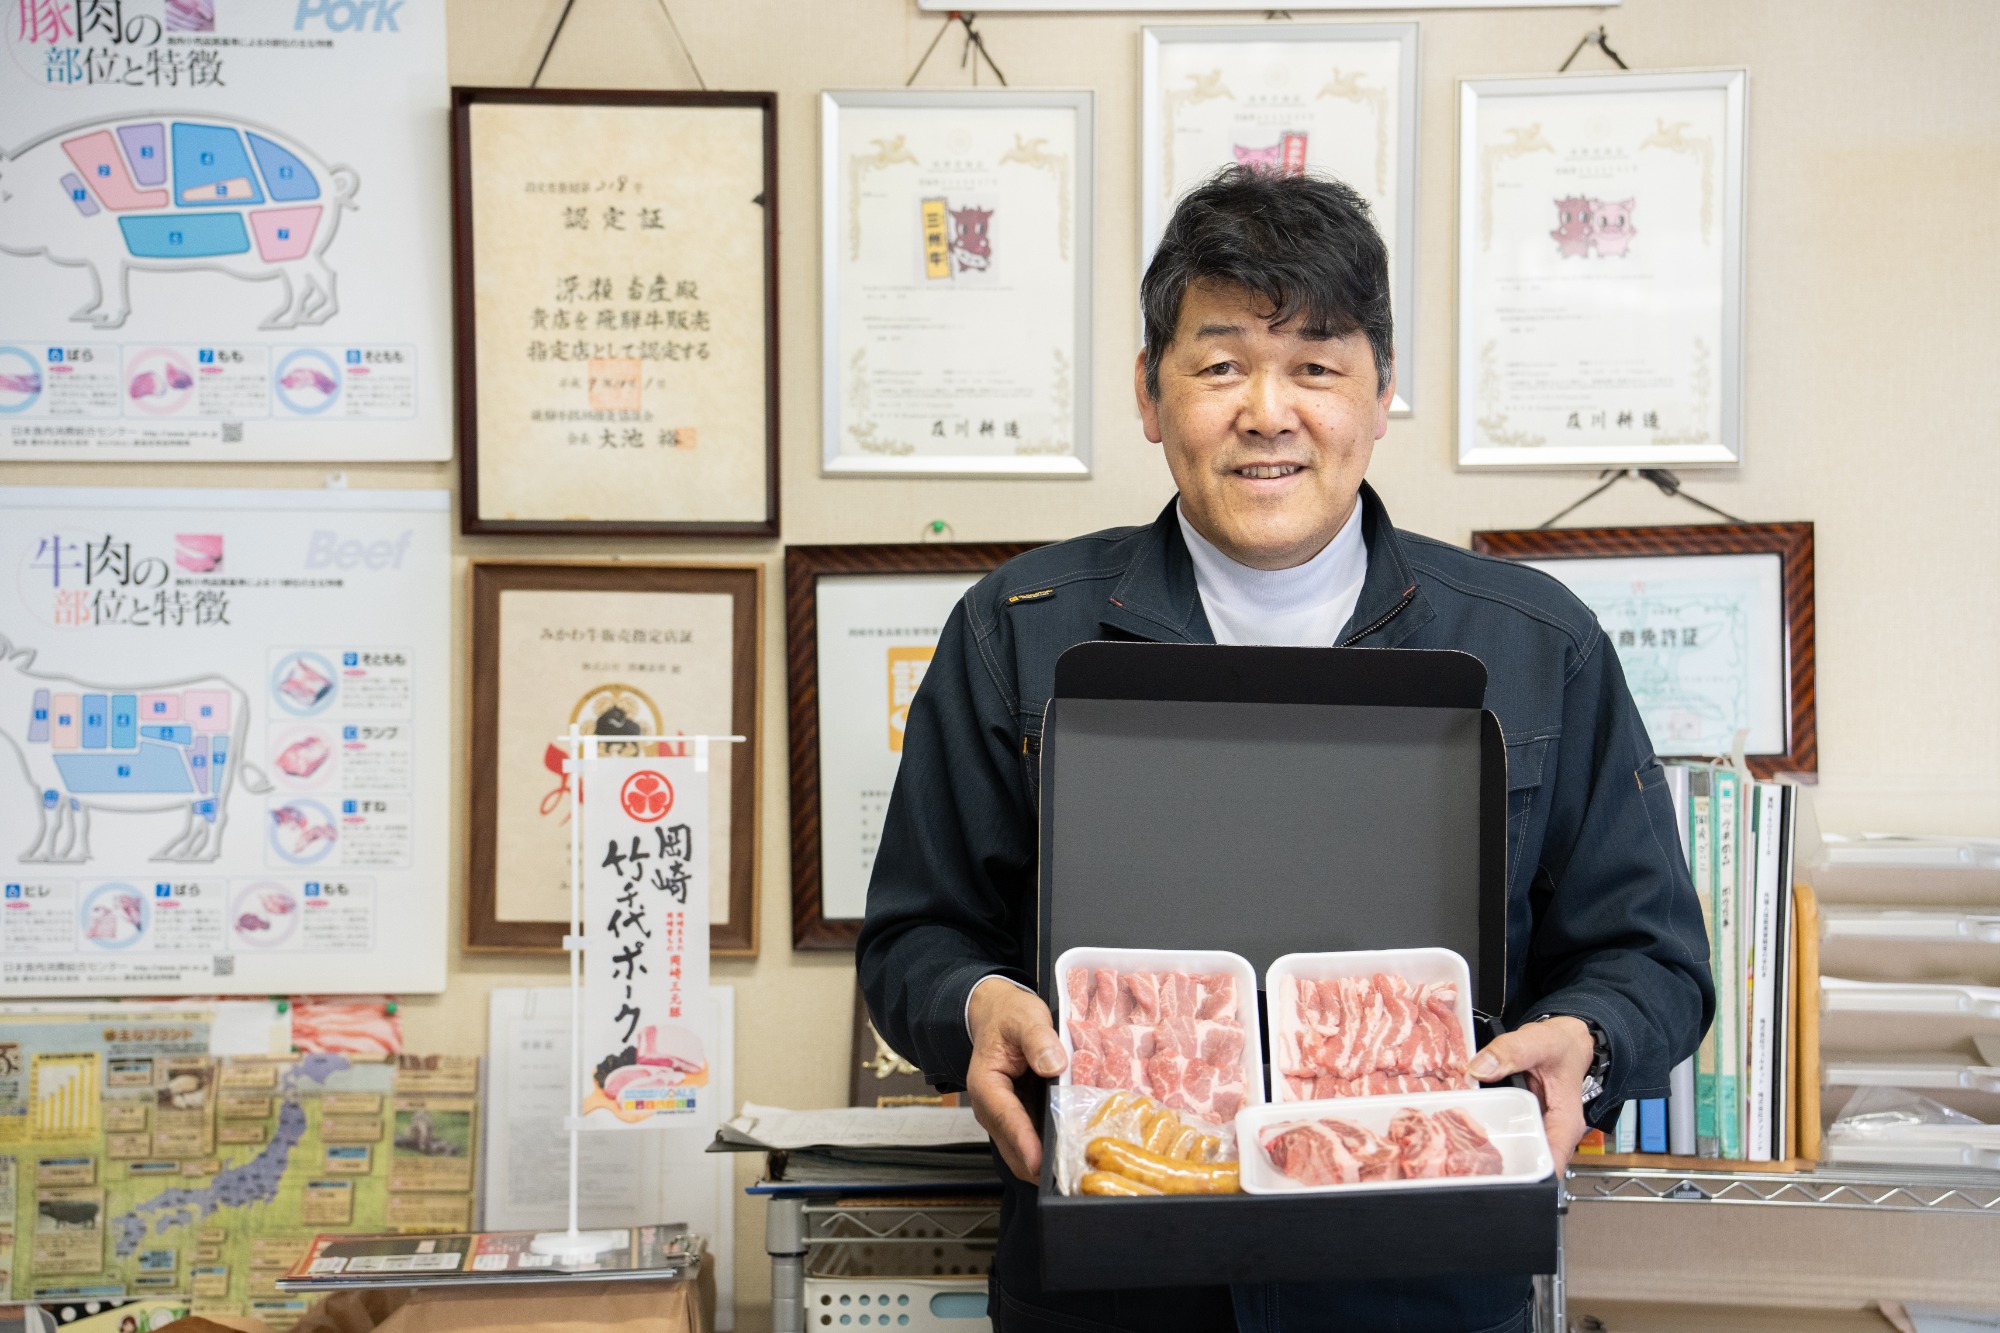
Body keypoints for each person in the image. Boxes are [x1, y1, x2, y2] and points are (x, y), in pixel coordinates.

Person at [857, 166, 1713, 1333]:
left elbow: (1651, 958)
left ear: (1379, 392)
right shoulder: (1017, 631)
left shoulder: (1532, 643)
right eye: (1218, 365)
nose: (1266, 410)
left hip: (1424, 1276)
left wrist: (1589, 1040)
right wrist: (976, 1005)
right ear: (1150, 398)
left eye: (1314, 364)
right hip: (1109, 1276)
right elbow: (915, 935)